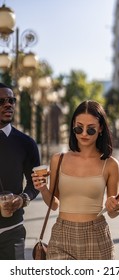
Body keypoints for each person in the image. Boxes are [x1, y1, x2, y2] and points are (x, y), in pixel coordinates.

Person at [32, 100, 119, 260]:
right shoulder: (58, 160)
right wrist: (43, 189)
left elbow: (113, 213)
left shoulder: (110, 164)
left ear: (101, 128)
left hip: (97, 237)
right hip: (62, 235)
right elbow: (54, 205)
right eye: (79, 127)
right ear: (72, 125)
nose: (84, 134)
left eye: (91, 129)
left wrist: (114, 206)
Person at [0, 82, 40, 260]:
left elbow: (35, 183)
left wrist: (22, 199)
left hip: (13, 230)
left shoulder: (26, 143)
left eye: (11, 100)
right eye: (1, 101)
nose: (8, 104)